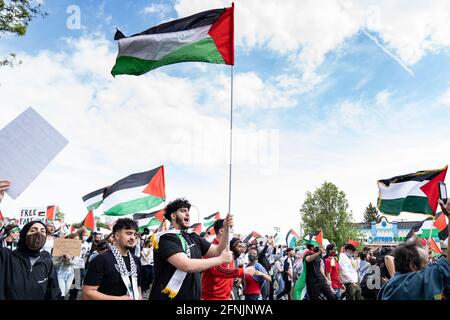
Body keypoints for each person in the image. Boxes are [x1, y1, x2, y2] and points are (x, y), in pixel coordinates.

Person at [150, 198, 233, 300]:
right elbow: (186, 265)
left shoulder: (194, 237)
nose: (188, 214)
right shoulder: (165, 238)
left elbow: (218, 251)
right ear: (173, 216)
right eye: (183, 211)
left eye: (188, 211)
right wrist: (220, 260)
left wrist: (226, 230)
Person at [378, 200, 450, 300]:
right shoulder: (416, 283)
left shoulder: (388, 287)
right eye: (425, 264)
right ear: (413, 266)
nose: (428, 268)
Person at [82, 218, 142, 300]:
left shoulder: (136, 260)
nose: (133, 238)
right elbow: (87, 293)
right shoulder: (101, 259)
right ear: (117, 235)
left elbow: (137, 286)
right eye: (129, 233)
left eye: (135, 234)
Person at [0, 221, 61, 299]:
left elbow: (53, 291)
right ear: (24, 234)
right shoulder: (7, 257)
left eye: (42, 231)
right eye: (33, 230)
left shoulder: (47, 261)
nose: (38, 234)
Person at [202, 219, 256, 300]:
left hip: (225, 296)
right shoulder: (211, 249)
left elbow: (228, 271)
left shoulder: (228, 250)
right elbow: (217, 270)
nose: (232, 234)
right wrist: (242, 271)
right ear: (221, 231)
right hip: (213, 297)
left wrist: (233, 282)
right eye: (230, 230)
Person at [53, 233, 78, 299]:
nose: (77, 242)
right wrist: (61, 260)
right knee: (62, 293)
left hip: (71, 273)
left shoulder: (77, 250)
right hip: (60, 273)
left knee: (66, 291)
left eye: (78, 240)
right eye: (75, 239)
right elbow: (54, 263)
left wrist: (69, 260)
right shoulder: (59, 248)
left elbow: (75, 263)